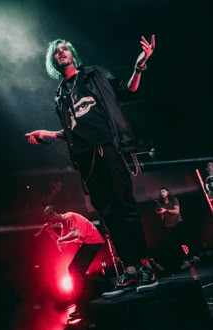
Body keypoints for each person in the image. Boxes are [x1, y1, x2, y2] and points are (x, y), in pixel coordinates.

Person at [26, 35, 159, 298]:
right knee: (109, 215)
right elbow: (70, 130)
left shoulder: (93, 75)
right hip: (87, 161)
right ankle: (130, 270)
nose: (61, 53)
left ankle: (146, 267)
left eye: (65, 49)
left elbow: (127, 91)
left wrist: (139, 65)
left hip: (107, 149)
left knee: (124, 207)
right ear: (53, 61)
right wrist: (48, 133)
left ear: (73, 54)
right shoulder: (60, 96)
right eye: (56, 52)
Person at [43, 205, 105, 318]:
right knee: (76, 271)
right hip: (89, 243)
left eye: (48, 218)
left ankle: (85, 304)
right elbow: (62, 246)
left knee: (74, 270)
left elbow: (76, 233)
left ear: (54, 214)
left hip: (92, 241)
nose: (48, 221)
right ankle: (87, 301)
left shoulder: (69, 217)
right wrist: (50, 231)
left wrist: (61, 239)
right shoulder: (63, 224)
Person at [155, 188, 200, 271]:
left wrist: (166, 210)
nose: (162, 193)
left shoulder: (174, 199)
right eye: (161, 192)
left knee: (185, 240)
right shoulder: (161, 204)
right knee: (177, 244)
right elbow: (162, 219)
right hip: (169, 226)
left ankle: (193, 256)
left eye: (163, 191)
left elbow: (176, 211)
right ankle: (186, 261)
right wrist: (161, 213)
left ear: (168, 192)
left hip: (178, 223)